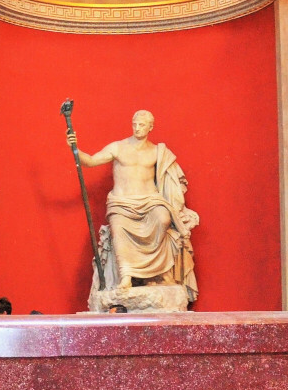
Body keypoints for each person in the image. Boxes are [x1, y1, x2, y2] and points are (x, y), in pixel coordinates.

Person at [68, 110, 199, 300]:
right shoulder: (119, 147)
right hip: (122, 203)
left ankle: (154, 271)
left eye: (142, 125)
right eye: (135, 124)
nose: (137, 128)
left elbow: (172, 178)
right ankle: (126, 275)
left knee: (163, 218)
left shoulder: (157, 152)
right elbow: (91, 161)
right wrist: (75, 149)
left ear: (151, 127)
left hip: (150, 201)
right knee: (118, 227)